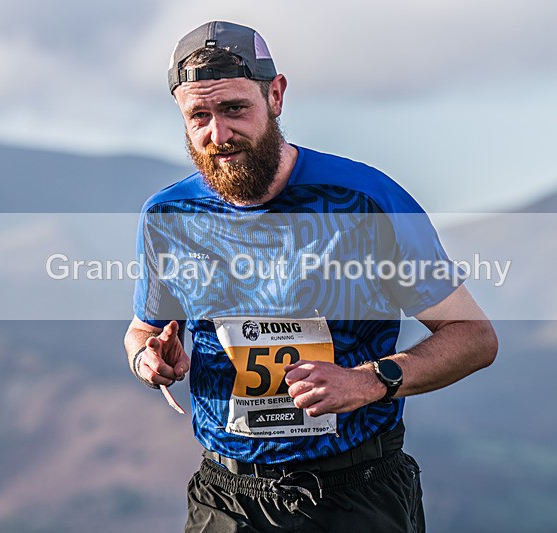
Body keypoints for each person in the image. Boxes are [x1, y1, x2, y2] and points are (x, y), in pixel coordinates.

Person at [124, 21, 497, 533]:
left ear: (275, 96)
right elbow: (144, 329)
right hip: (225, 497)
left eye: (235, 109)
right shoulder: (168, 216)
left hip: (354, 490)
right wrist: (150, 359)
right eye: (199, 117)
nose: (219, 134)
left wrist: (368, 381)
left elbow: (473, 337)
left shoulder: (367, 201)